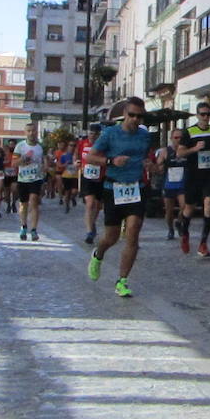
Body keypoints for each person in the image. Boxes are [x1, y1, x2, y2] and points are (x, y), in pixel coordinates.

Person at [86, 99, 152, 297]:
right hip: (113, 187)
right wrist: (110, 160)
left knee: (133, 232)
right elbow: (91, 157)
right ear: (124, 113)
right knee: (111, 237)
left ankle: (122, 281)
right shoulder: (110, 134)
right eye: (132, 115)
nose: (135, 119)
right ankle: (98, 255)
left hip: (136, 189)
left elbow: (146, 157)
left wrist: (151, 165)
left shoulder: (144, 136)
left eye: (139, 116)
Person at [176, 101, 210, 257]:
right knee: (189, 208)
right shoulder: (189, 132)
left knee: (209, 205)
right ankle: (184, 231)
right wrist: (194, 149)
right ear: (197, 115)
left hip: (209, 175)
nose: (205, 117)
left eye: (208, 114)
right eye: (202, 114)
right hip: (193, 175)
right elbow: (180, 153)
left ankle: (203, 243)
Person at [15, 122, 46, 241]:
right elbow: (14, 163)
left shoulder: (40, 147)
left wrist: (44, 175)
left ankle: (34, 229)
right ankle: (23, 226)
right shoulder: (20, 146)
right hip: (23, 178)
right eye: (28, 131)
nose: (31, 133)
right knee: (24, 204)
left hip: (36, 178)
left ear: (36, 132)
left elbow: (43, 162)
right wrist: (23, 159)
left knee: (34, 201)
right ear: (25, 132)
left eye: (33, 131)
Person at [155, 128, 188, 239]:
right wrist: (160, 166)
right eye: (176, 137)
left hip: (182, 184)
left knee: (185, 207)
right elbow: (158, 166)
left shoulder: (186, 151)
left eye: (180, 138)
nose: (178, 140)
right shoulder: (165, 151)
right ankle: (170, 229)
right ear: (171, 138)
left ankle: (179, 222)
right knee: (169, 211)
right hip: (169, 184)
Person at [78, 123, 104, 244]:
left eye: (95, 134)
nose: (93, 136)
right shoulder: (82, 143)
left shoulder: (103, 145)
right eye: (91, 133)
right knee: (90, 203)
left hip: (100, 177)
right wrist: (77, 162)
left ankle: (92, 223)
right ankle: (89, 232)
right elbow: (76, 156)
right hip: (87, 176)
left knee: (98, 206)